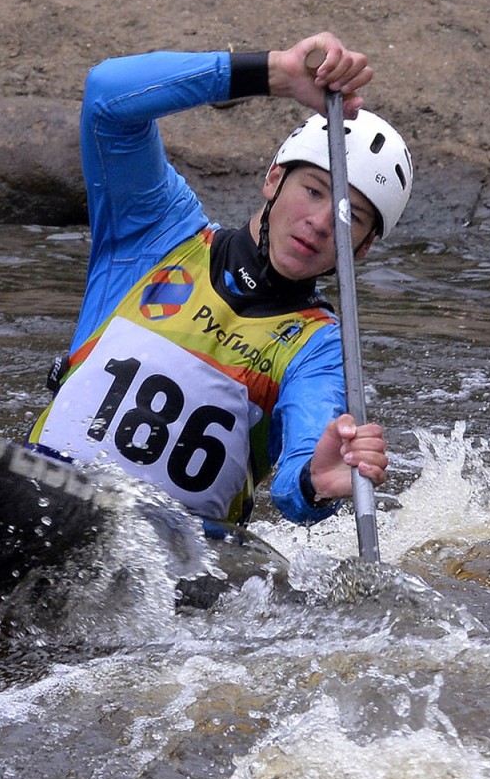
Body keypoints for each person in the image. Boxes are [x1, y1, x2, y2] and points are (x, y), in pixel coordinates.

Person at [27, 32, 414, 529]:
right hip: (40, 492)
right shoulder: (158, 231)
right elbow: (107, 97)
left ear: (361, 248)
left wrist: (316, 481)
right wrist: (272, 73)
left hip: (171, 550)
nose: (321, 223)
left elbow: (296, 485)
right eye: (314, 191)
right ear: (273, 179)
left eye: (349, 217)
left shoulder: (319, 351)